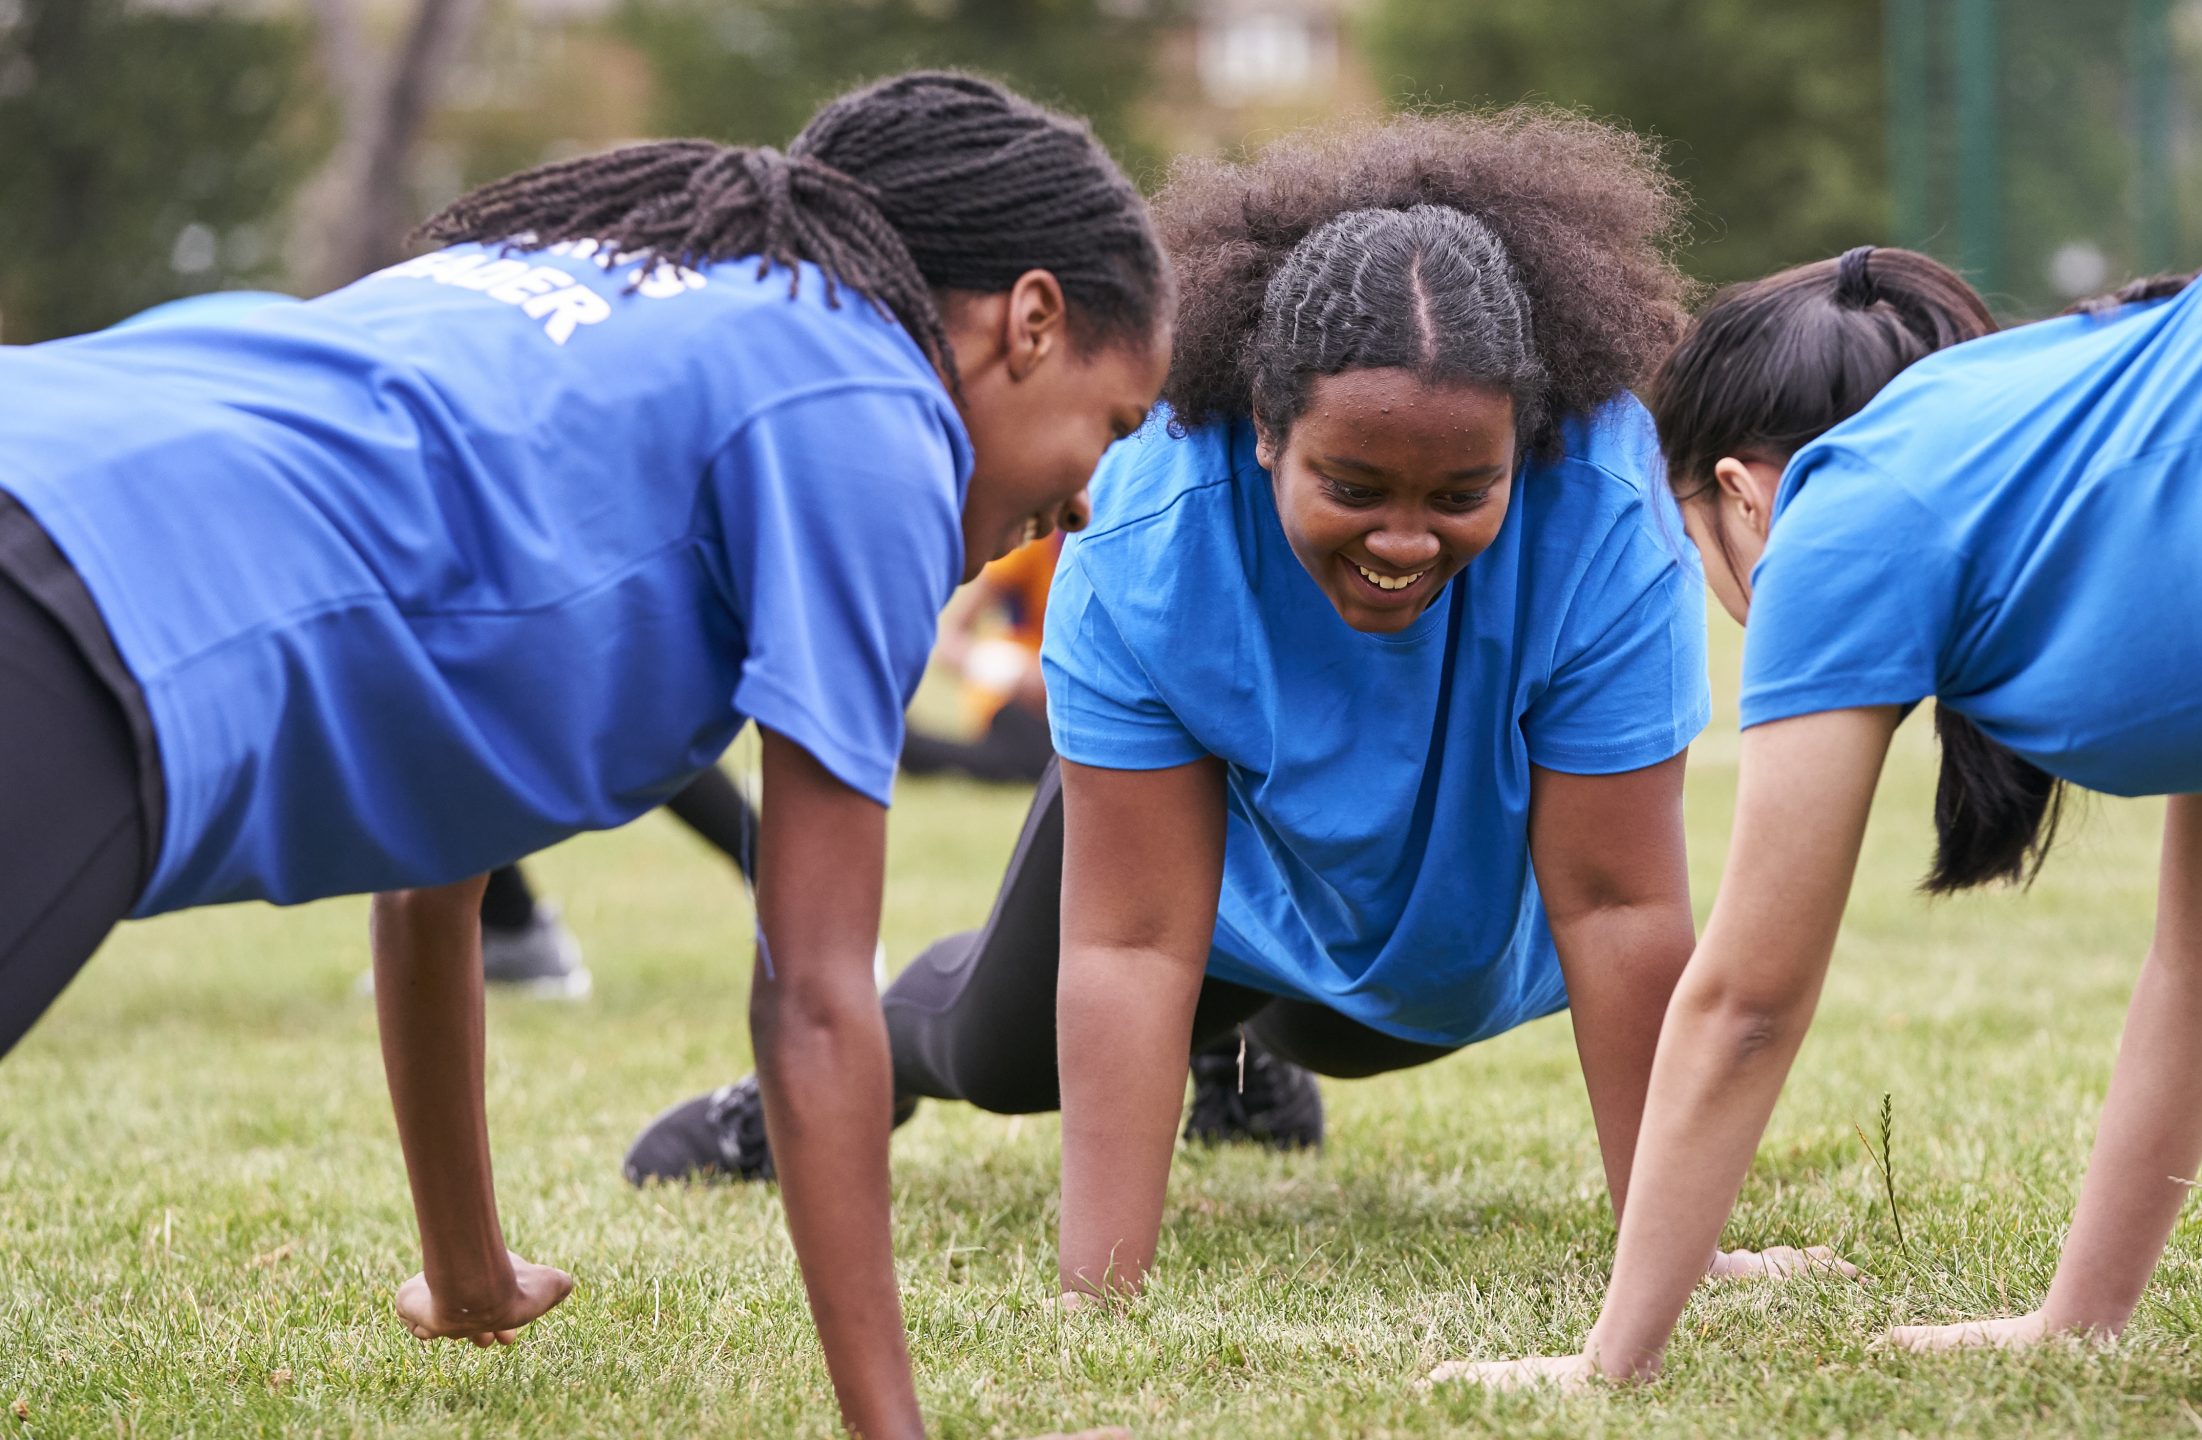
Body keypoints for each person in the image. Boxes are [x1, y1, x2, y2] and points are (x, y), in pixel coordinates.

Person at [0, 71, 1169, 1440]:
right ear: (1030, 322)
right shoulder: (870, 409)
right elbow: (811, 999)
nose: (1087, 499)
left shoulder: (612, 283)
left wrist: (468, 1274)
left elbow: (437, 867)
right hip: (86, 615)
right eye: (1115, 424)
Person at [1433, 91, 2202, 1388]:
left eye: (1697, 548)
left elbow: (1747, 1002)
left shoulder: (1841, 505)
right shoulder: (2118, 451)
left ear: (1740, 497)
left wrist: (1606, 1365)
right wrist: (2078, 1320)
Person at [633, 109, 1851, 1301]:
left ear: (1525, 447)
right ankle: (853, 1077)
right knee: (1001, 1056)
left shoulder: (1602, 511)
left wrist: (1687, 1254)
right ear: (1267, 430)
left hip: (1429, 927)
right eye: (1354, 482)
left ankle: (1228, 1055)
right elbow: (1127, 943)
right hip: (1188, 858)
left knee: (1359, 1025)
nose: (1404, 537)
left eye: (1462, 490)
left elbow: (1622, 906)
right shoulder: (1146, 525)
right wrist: (1098, 1296)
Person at [101, 289, 766, 999]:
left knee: (590, 707)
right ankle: (514, 932)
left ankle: (787, 887)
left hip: (434, 489)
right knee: (450, 715)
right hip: (368, 478)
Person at [898, 530, 1062, 785]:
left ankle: (911, 747)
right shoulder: (1041, 544)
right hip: (1020, 707)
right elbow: (949, 642)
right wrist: (1016, 673)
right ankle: (907, 743)